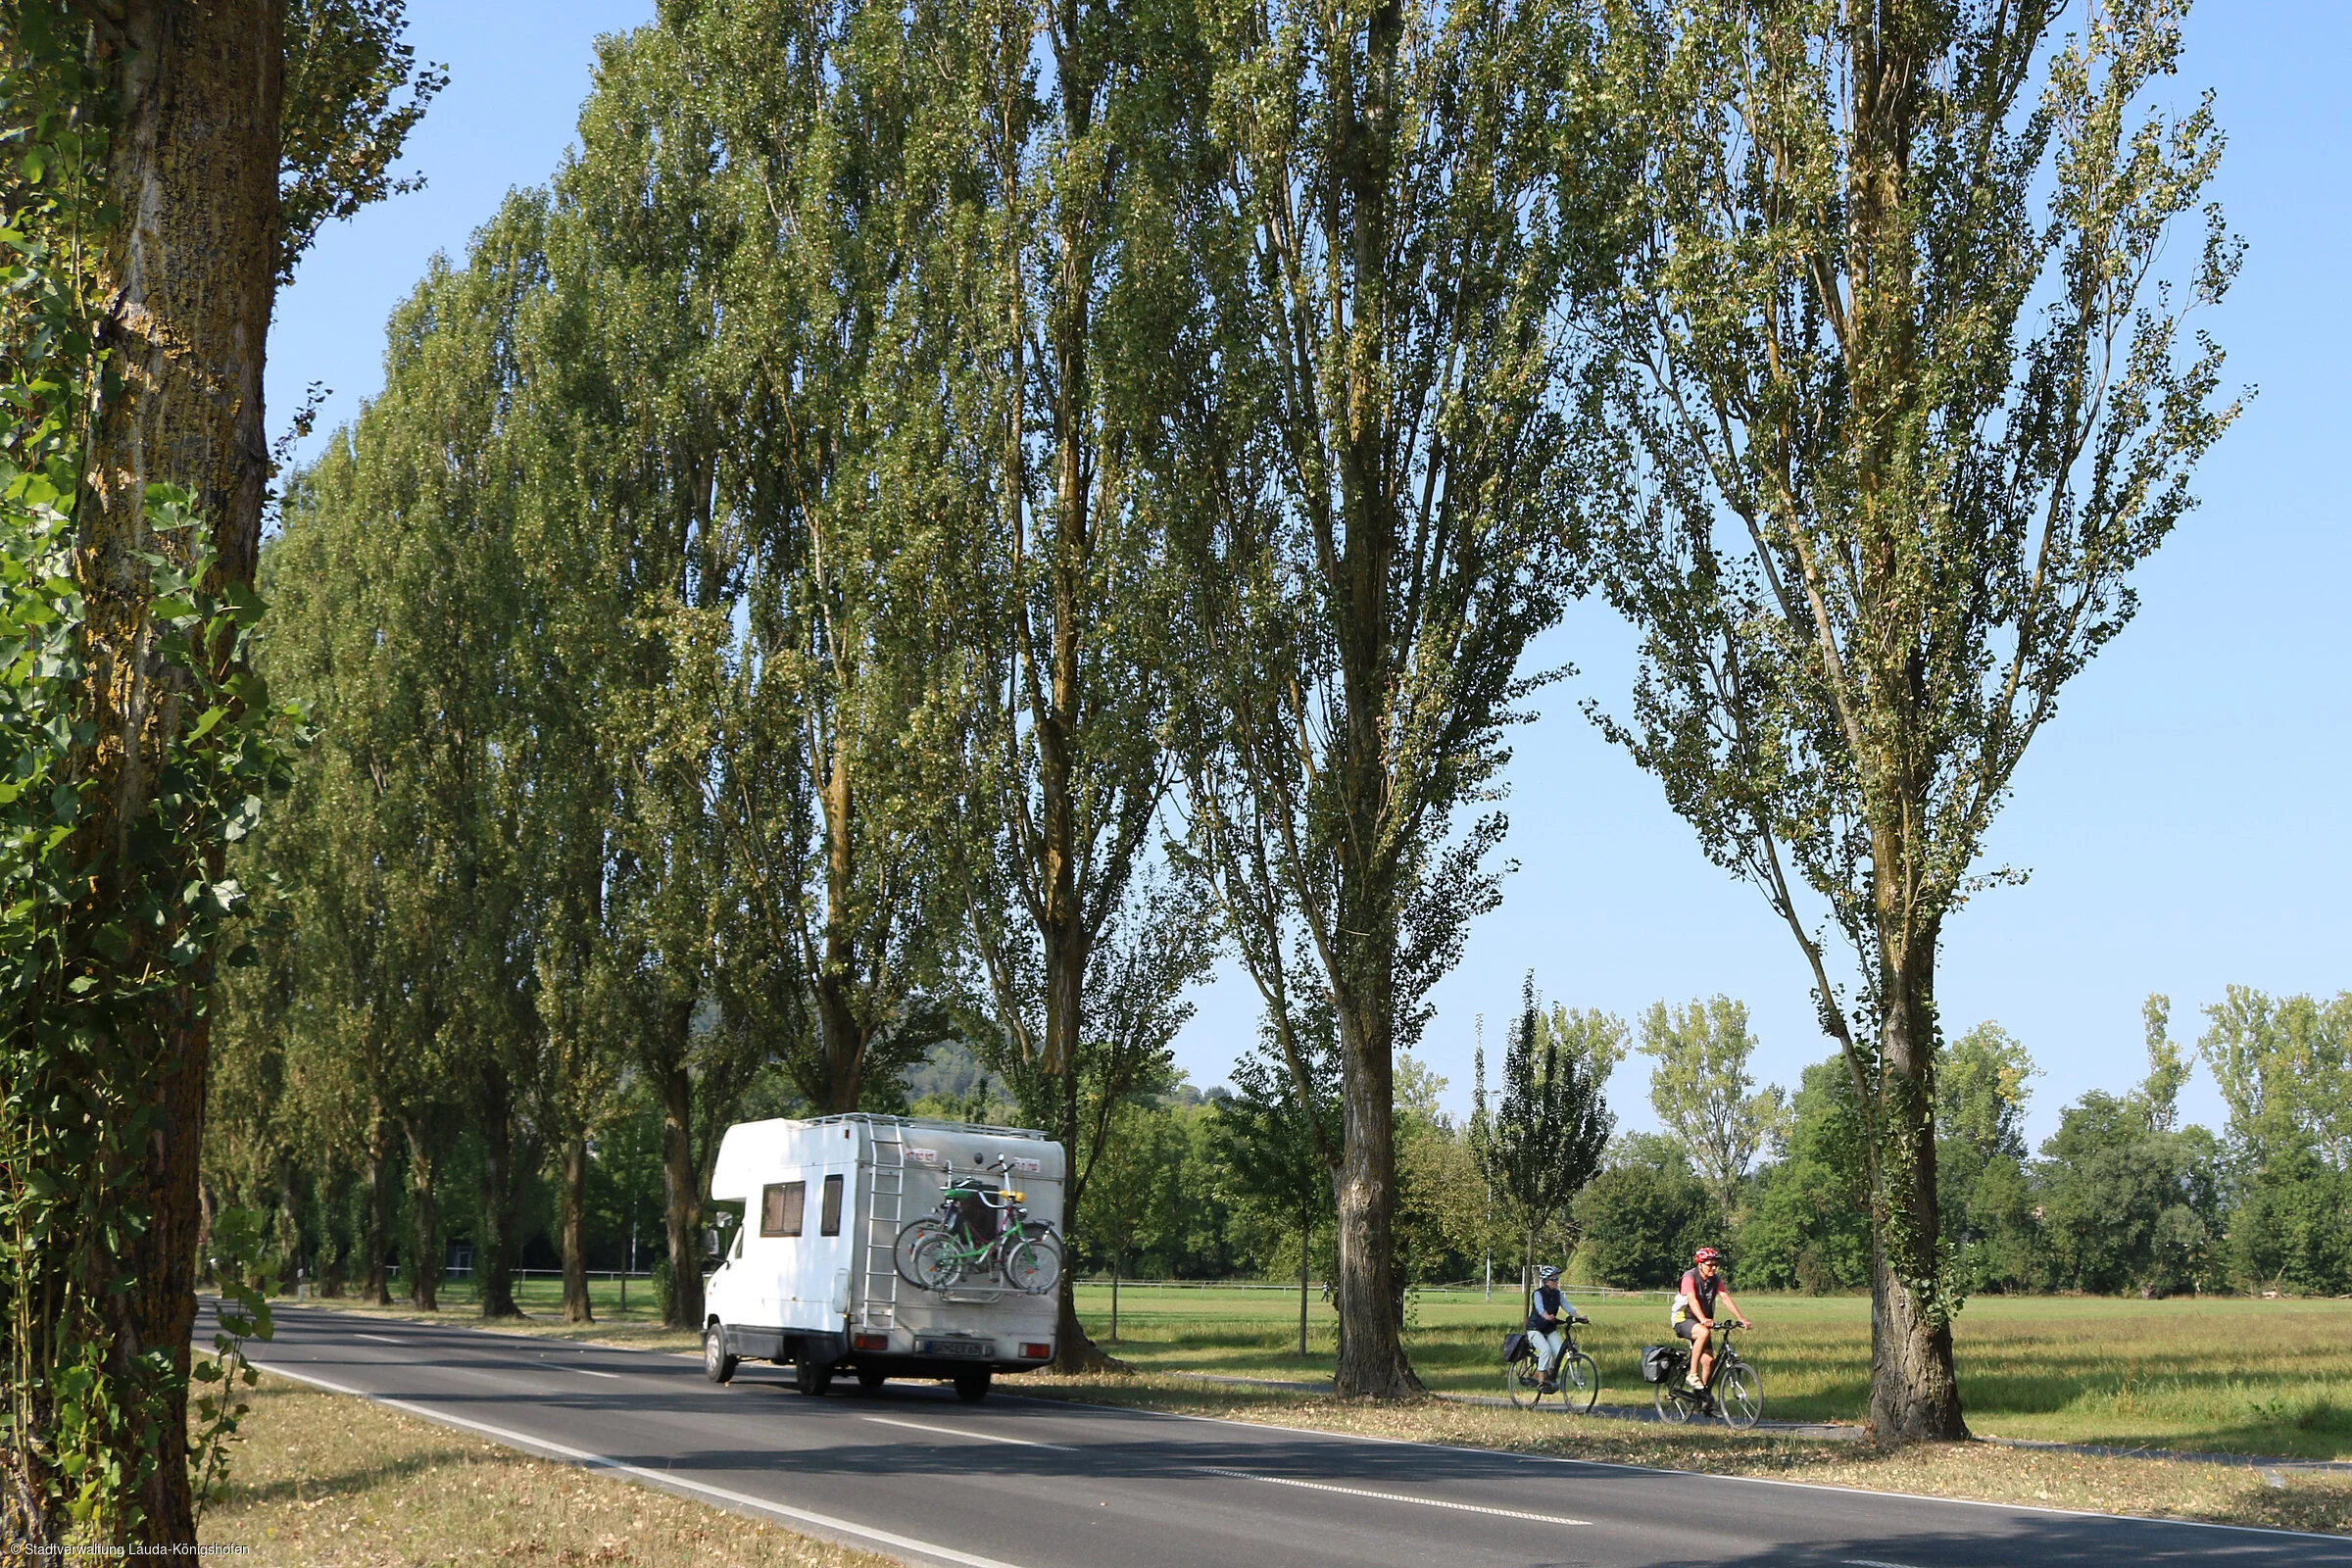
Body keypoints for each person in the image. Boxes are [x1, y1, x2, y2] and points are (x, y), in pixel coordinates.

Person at [1669, 1247, 1749, 1393]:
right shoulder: (1689, 1277)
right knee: (1703, 1333)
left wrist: (1741, 1318)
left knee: (1709, 1361)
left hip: (1701, 1322)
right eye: (1710, 1265)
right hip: (1683, 1319)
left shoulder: (1715, 1280)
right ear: (1700, 1264)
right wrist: (1703, 1319)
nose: (1713, 1268)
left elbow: (1725, 1297)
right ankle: (1692, 1374)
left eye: (1715, 1265)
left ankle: (1703, 1397)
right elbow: (1692, 1300)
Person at [1525, 1265, 1581, 1393]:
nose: (1556, 1281)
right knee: (1545, 1350)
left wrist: (1579, 1317)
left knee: (1559, 1351)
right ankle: (1541, 1381)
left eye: (1557, 1278)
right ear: (1545, 1281)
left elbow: (1567, 1307)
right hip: (1535, 1328)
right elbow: (1539, 1309)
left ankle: (1549, 1373)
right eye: (1553, 1279)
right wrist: (1547, 1316)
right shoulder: (1538, 1294)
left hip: (1549, 1329)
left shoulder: (1557, 1294)